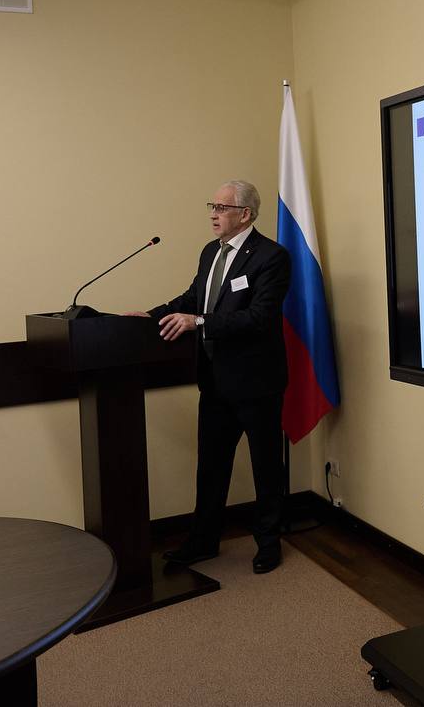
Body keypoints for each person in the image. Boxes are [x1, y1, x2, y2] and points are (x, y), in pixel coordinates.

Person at [130, 180, 291, 574]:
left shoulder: (272, 256)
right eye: (212, 206)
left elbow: (258, 318)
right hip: (215, 380)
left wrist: (199, 321)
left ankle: (268, 544)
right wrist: (151, 316)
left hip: (256, 382)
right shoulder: (210, 252)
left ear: (245, 214)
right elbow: (193, 298)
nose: (213, 214)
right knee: (212, 466)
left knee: (266, 466)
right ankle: (203, 541)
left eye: (222, 207)